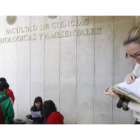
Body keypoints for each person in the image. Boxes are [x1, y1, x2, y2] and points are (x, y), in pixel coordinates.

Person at [104, 26, 140, 124]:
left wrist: (119, 100)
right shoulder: (138, 66)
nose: (136, 60)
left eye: (138, 54)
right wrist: (130, 80)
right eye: (131, 56)